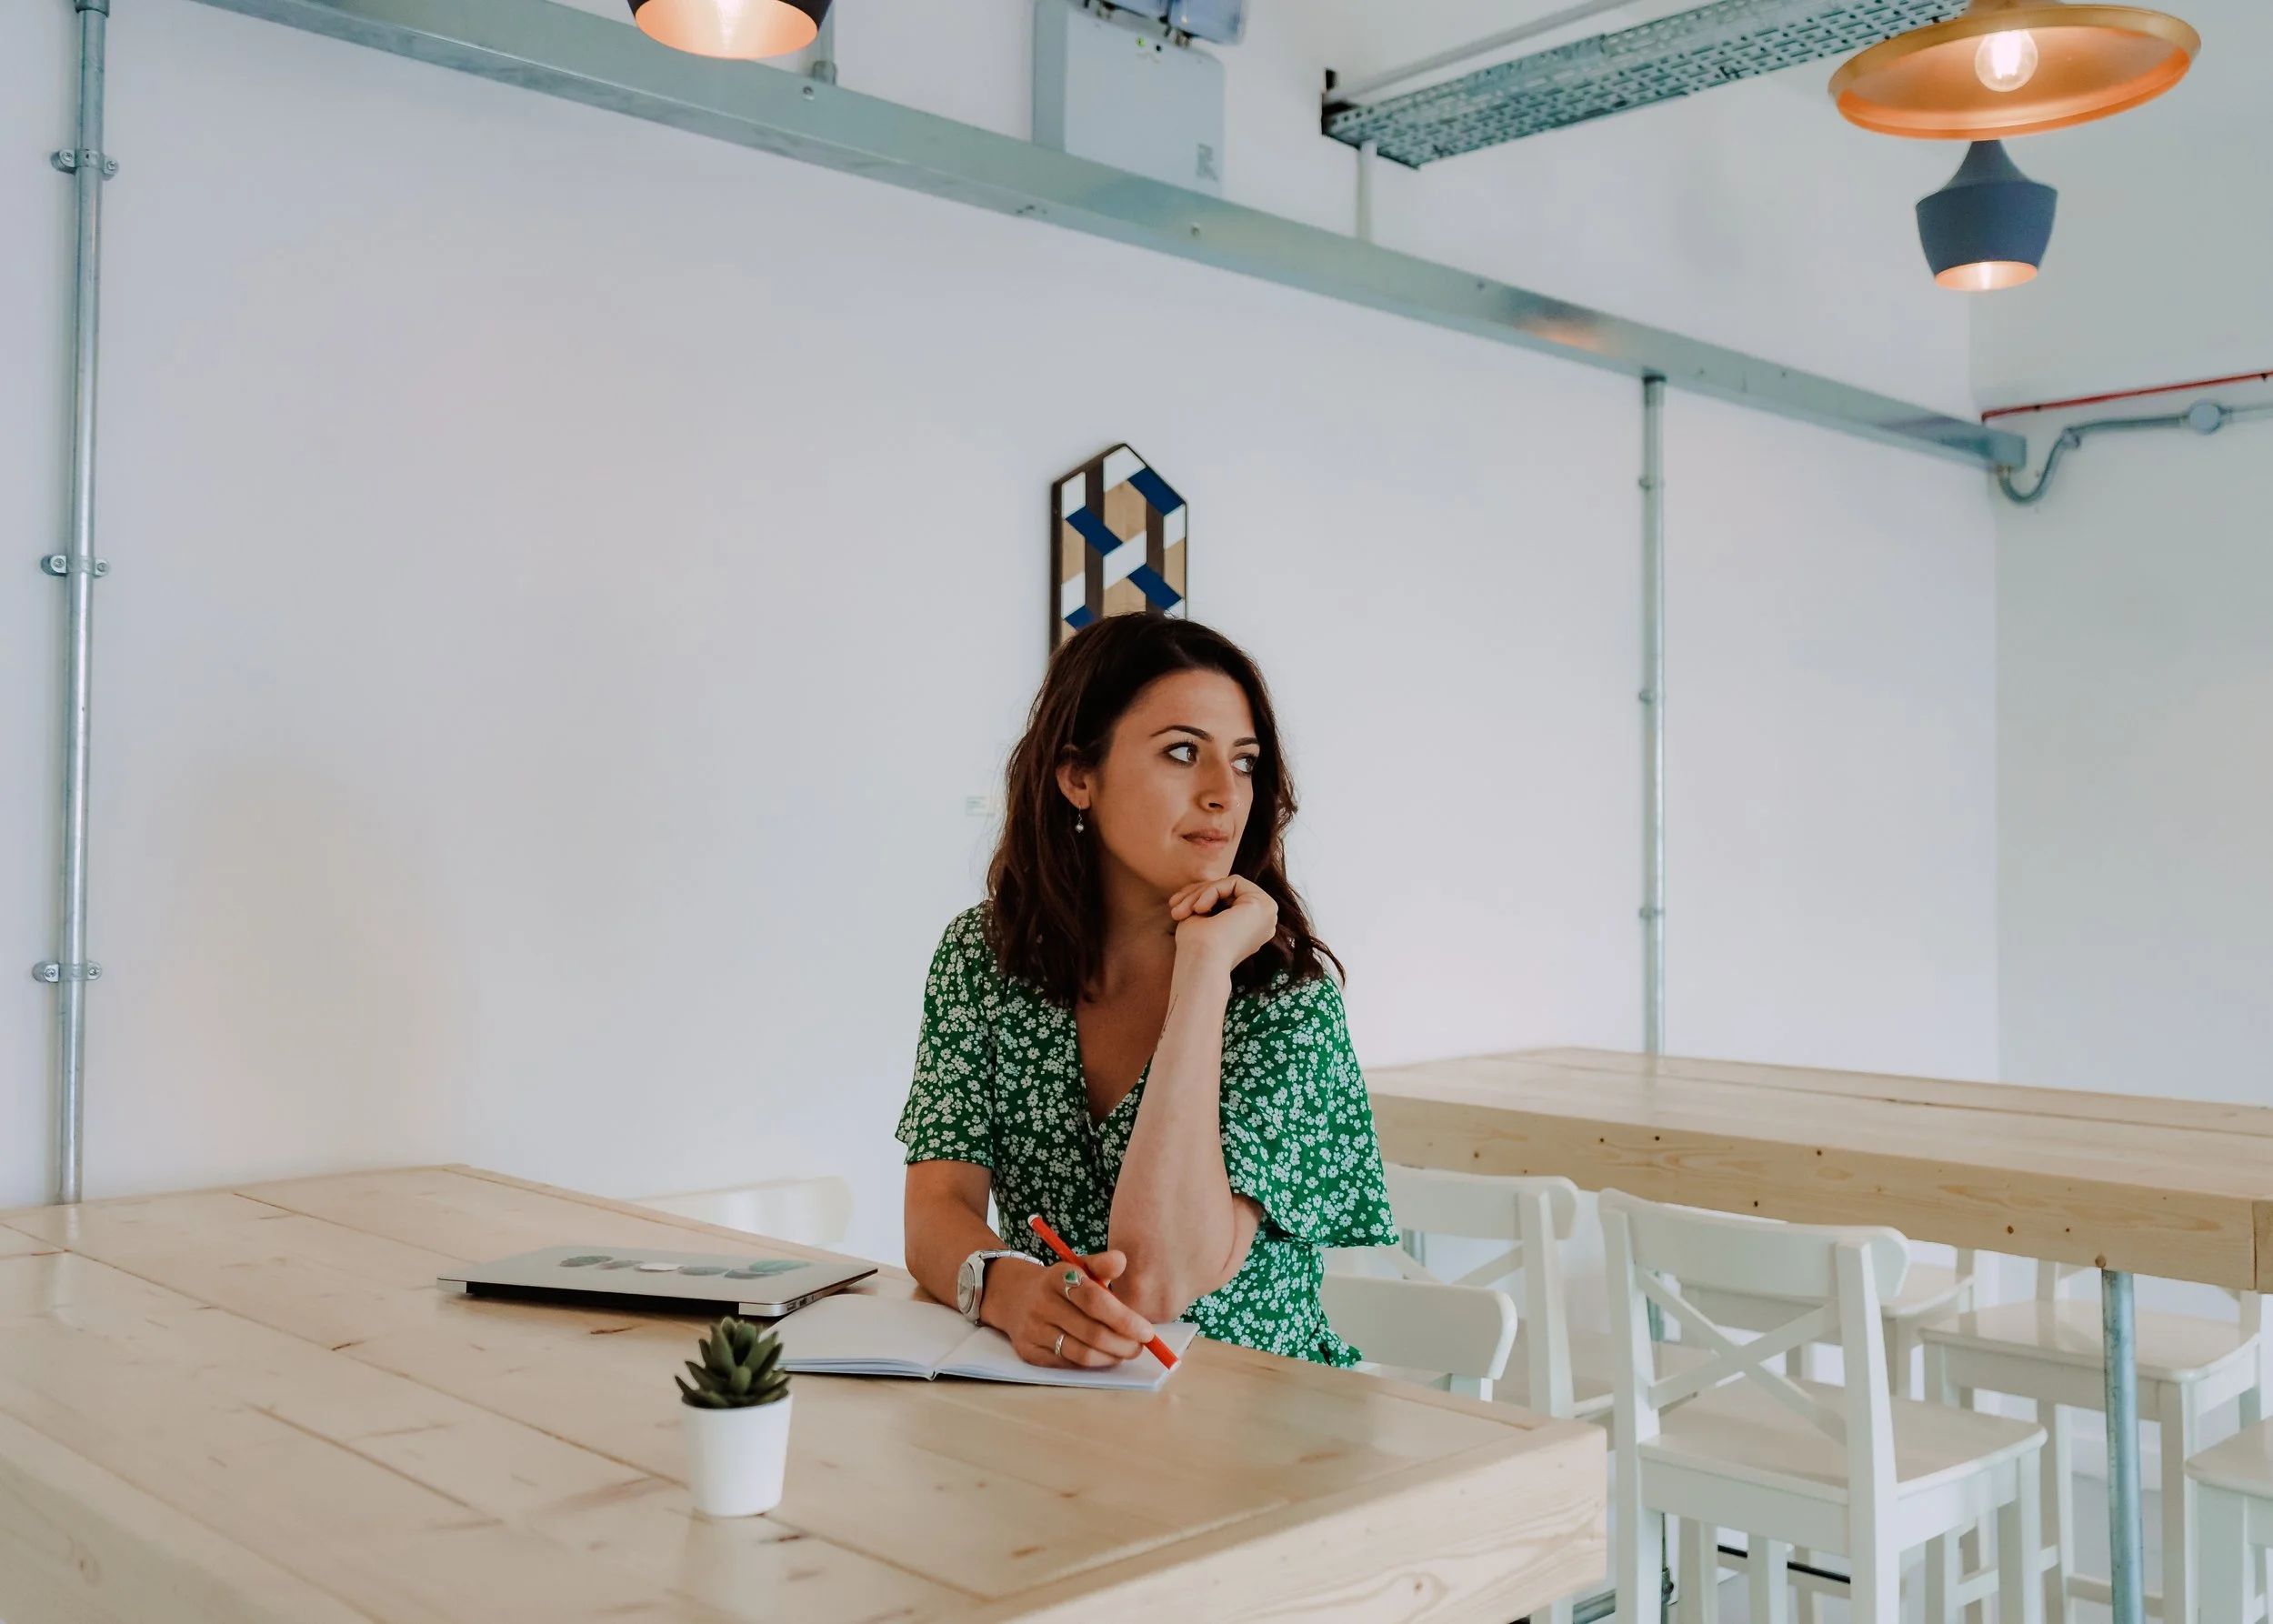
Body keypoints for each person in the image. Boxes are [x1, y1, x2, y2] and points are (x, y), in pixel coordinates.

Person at [896, 614, 1396, 1369]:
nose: (1225, 794)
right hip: (1051, 1403)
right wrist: (1011, 1292)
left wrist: (1203, 972)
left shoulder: (1288, 1004)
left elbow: (1156, 1279)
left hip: (1260, 1427)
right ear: (1078, 776)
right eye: (1183, 753)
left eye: (1246, 761)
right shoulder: (985, 956)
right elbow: (937, 1207)